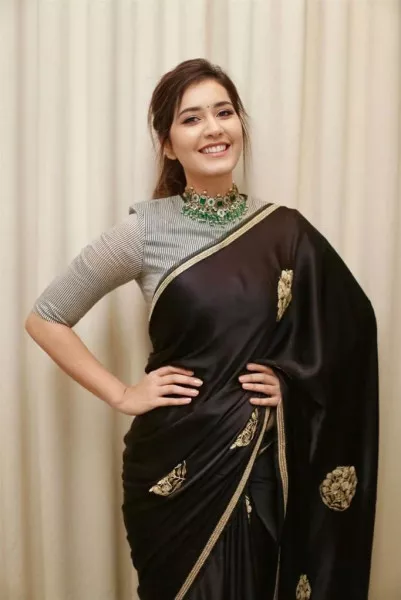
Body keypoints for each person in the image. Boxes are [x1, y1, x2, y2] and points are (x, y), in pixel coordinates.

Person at [25, 58, 379, 600]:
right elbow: (46, 316)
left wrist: (292, 381)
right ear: (168, 144)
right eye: (191, 119)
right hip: (171, 466)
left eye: (224, 113)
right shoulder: (145, 231)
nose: (213, 128)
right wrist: (123, 394)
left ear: (240, 125)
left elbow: (350, 332)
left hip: (256, 465)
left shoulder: (286, 231)